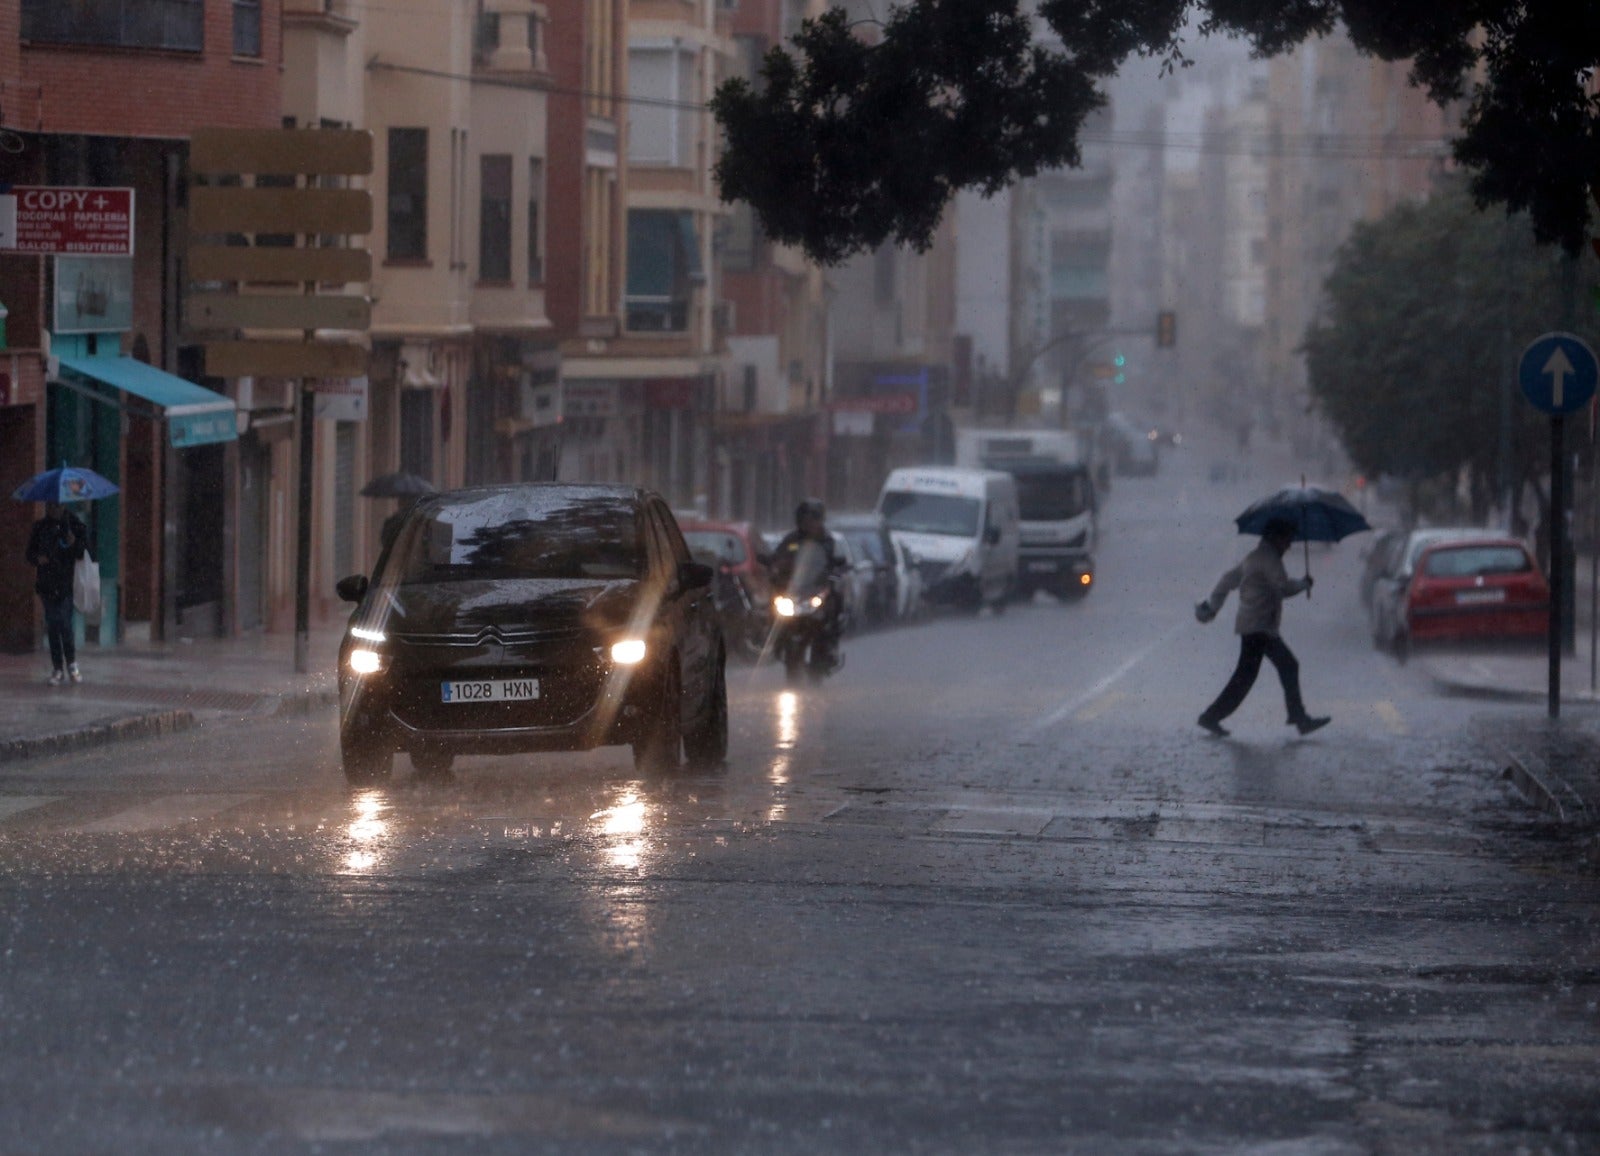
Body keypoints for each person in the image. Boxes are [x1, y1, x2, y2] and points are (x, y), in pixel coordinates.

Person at [1194, 517, 1329, 737]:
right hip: (1258, 627)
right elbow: (1283, 588)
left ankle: (1211, 717)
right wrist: (1304, 584)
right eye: (1287, 540)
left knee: (1255, 674)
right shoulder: (1268, 560)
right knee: (1275, 669)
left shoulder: (1254, 557)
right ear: (1275, 537)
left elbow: (1227, 579)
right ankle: (1298, 717)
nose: (1289, 545)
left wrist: (1212, 608)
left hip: (1256, 626)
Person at [768, 498, 847, 663]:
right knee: (774, 607)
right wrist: (774, 567)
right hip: (795, 590)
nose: (809, 523)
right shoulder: (792, 540)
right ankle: (775, 642)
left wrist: (836, 571)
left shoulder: (827, 541)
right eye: (806, 519)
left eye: (813, 519)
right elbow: (778, 557)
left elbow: (836, 561)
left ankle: (831, 643)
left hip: (817, 588)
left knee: (835, 602)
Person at [25, 501, 89, 686]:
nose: (55, 509)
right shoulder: (40, 527)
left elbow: (82, 551)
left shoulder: (73, 524)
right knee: (53, 624)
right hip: (46, 583)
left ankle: (71, 663)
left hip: (66, 583)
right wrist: (38, 559)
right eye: (52, 505)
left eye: (59, 505)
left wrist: (73, 542)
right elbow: (29, 553)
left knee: (64, 623)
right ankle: (57, 668)